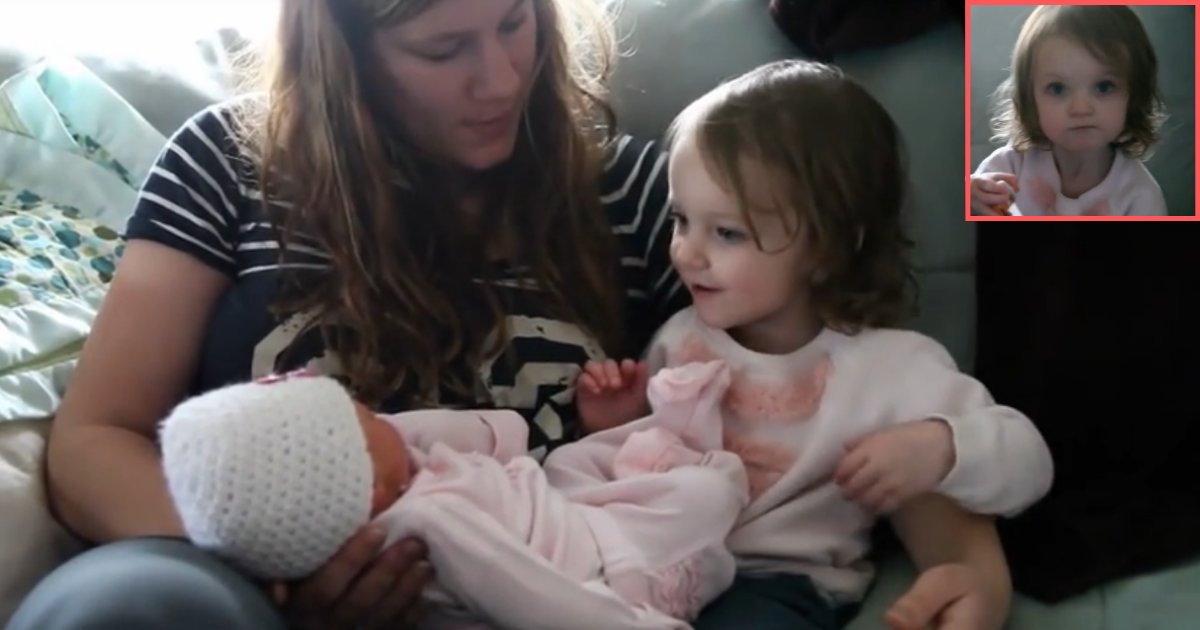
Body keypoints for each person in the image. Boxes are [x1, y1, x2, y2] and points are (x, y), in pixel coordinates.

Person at [12, 1, 1017, 629]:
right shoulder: (225, 164)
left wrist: (963, 560)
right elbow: (94, 437)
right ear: (344, 51)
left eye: (514, 25)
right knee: (127, 609)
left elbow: (814, 386)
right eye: (445, 47)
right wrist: (275, 573)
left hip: (557, 585)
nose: (499, 79)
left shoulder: (631, 190)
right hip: (234, 584)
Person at [575, 59, 1055, 630]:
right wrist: (615, 423)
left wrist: (940, 448)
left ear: (829, 247)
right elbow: (643, 467)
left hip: (777, 584)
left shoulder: (893, 367)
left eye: (726, 232)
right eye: (682, 220)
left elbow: (1030, 463)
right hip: (657, 561)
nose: (687, 253)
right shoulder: (679, 339)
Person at [158, 364, 748, 628]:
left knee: (573, 459)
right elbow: (534, 598)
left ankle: (663, 442)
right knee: (706, 490)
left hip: (555, 503)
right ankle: (690, 432)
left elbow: (462, 434)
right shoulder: (430, 523)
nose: (375, 412)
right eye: (360, 414)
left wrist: (503, 437)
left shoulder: (385, 475)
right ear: (371, 487)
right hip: (600, 571)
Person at [971, 5, 1167, 216]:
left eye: (1104, 87)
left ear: (1134, 95)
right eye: (1057, 89)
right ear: (1030, 99)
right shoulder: (1009, 166)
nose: (1080, 109)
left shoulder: (1140, 196)